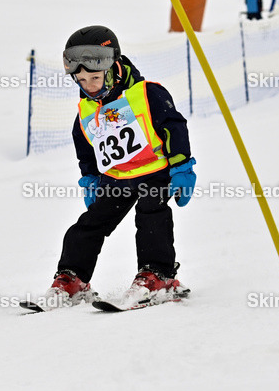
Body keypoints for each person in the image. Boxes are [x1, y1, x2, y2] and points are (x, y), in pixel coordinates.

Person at [34, 25, 196, 310]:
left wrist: (182, 166)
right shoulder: (86, 108)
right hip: (116, 178)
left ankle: (158, 276)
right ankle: (72, 279)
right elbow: (85, 145)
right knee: (89, 225)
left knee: (151, 216)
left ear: (113, 69)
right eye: (81, 79)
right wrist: (90, 179)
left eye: (95, 77)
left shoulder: (146, 94)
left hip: (155, 172)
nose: (89, 85)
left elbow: (174, 126)